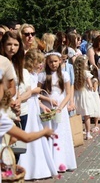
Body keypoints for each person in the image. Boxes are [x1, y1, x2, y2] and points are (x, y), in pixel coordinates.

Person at [18, 49, 58, 180]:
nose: (41, 65)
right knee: (29, 134)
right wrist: (35, 91)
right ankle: (28, 167)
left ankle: (39, 167)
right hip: (28, 107)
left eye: (41, 62)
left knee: (37, 135)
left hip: (35, 106)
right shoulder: (26, 75)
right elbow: (26, 95)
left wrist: (42, 106)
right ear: (31, 62)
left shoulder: (34, 75)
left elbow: (35, 97)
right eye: (38, 62)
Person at [38, 51, 76, 173]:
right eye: (50, 62)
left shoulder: (64, 75)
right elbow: (38, 93)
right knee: (50, 130)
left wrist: (62, 107)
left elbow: (68, 93)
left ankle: (64, 161)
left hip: (61, 106)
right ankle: (52, 162)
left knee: (61, 131)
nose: (53, 64)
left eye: (55, 61)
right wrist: (47, 99)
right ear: (46, 63)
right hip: (48, 105)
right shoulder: (43, 76)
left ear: (60, 61)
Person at [0, 31, 31, 128]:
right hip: (4, 110)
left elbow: (16, 86)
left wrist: (18, 101)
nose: (12, 48)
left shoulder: (17, 64)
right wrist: (11, 103)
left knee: (19, 142)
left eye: (16, 45)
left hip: (19, 109)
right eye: (9, 44)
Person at [73, 56, 99, 140]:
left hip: (76, 94)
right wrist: (90, 86)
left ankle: (78, 132)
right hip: (84, 94)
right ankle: (88, 133)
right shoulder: (86, 73)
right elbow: (90, 85)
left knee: (78, 114)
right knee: (86, 115)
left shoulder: (74, 73)